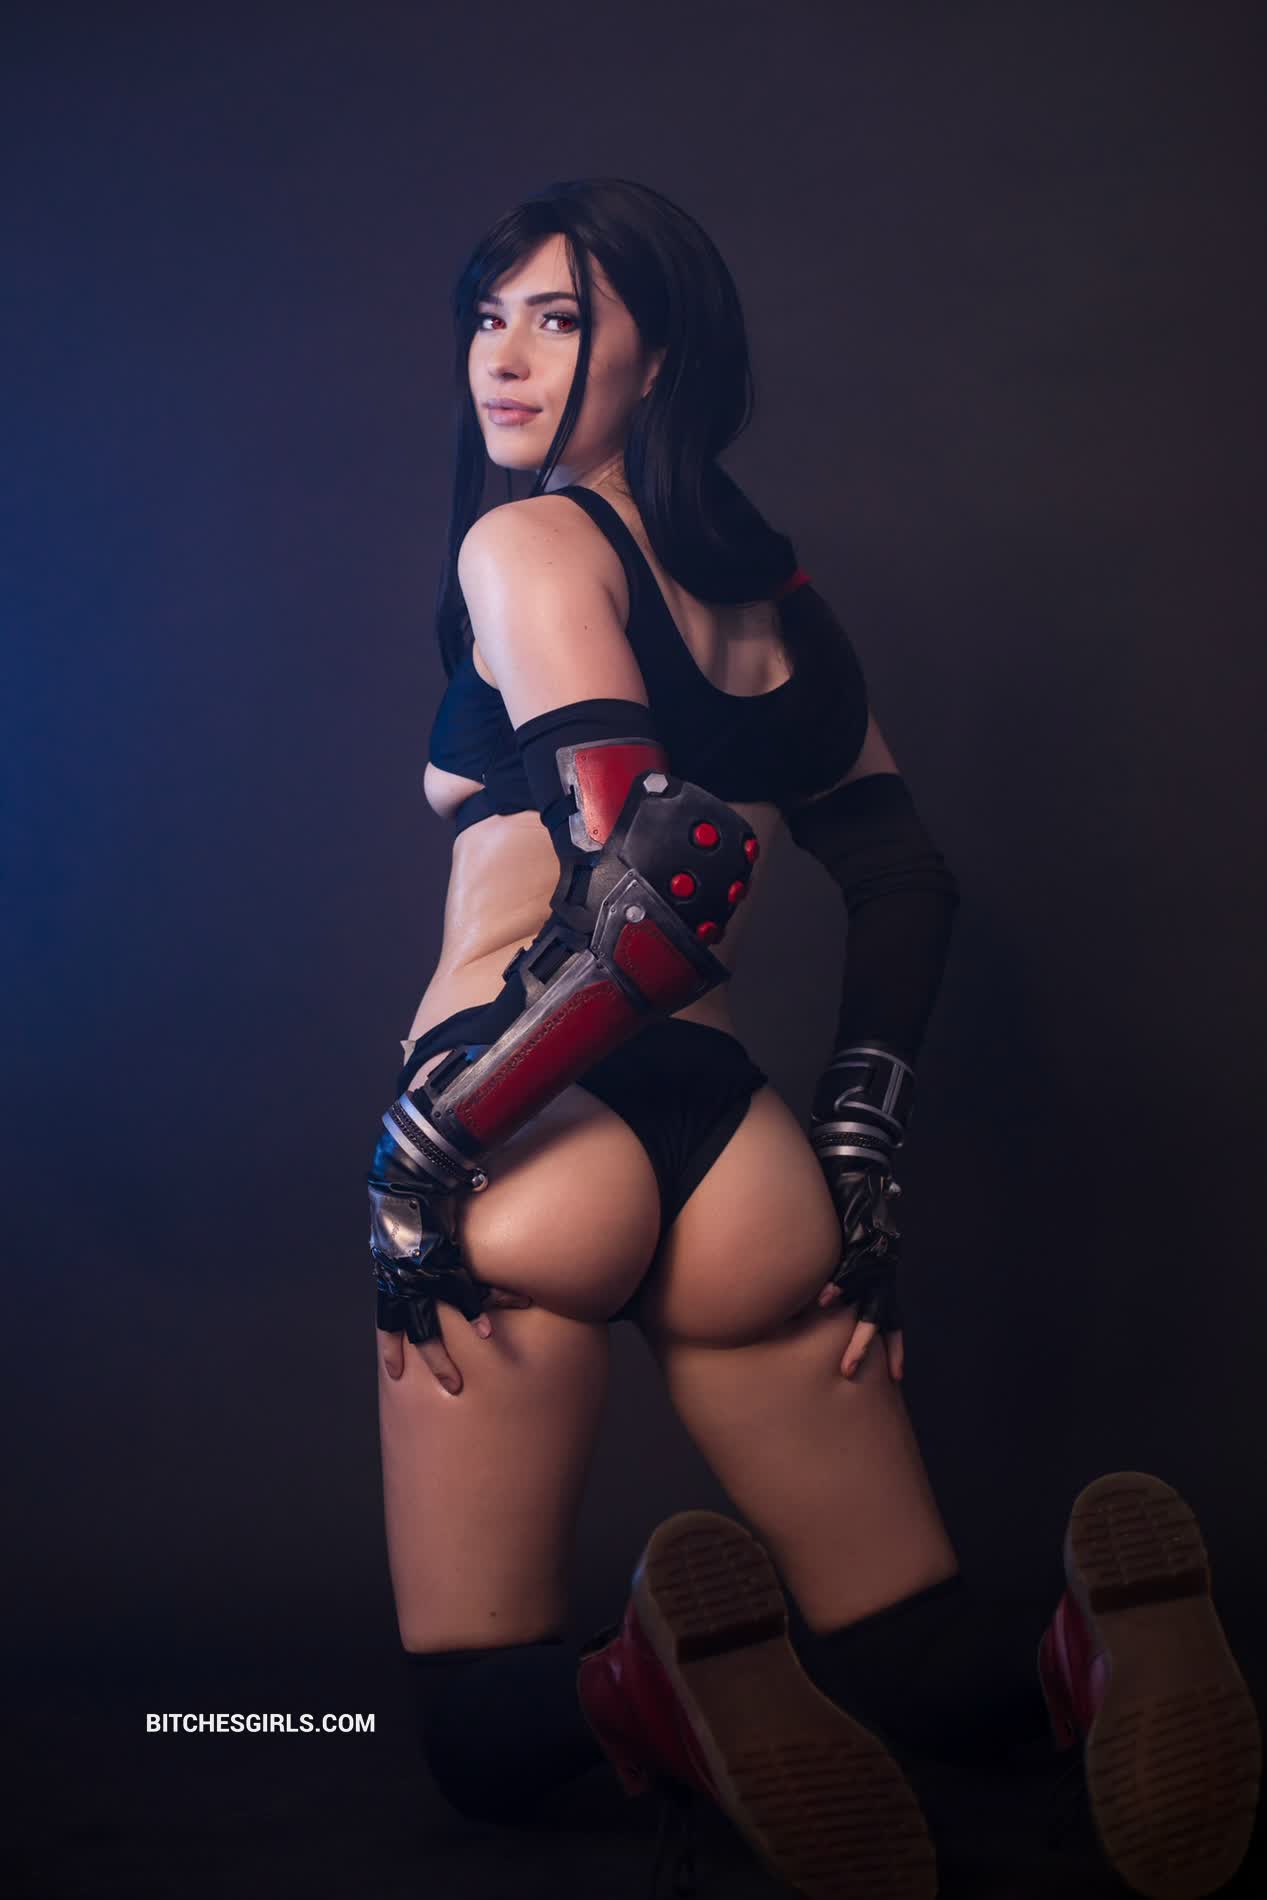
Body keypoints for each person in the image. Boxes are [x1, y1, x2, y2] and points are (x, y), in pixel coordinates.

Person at [368, 177, 1259, 1899]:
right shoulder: (768, 600)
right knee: (913, 1654)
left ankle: (654, 1690)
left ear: (661, 355)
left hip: (521, 1113)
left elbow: (642, 890)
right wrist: (856, 1155)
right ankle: (1078, 1656)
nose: (504, 358)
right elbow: (901, 876)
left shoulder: (528, 545)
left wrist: (427, 1152)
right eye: (489, 315)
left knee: (479, 1733)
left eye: (561, 319)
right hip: (734, 1146)